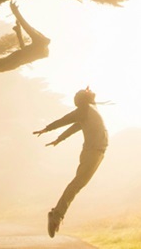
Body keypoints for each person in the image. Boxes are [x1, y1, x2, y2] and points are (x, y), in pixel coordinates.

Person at [33, 86, 108, 238]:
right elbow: (65, 120)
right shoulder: (85, 109)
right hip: (92, 152)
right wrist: (47, 129)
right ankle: (56, 215)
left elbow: (74, 127)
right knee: (77, 184)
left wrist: (58, 139)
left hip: (96, 152)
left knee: (78, 184)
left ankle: (57, 214)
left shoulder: (91, 109)